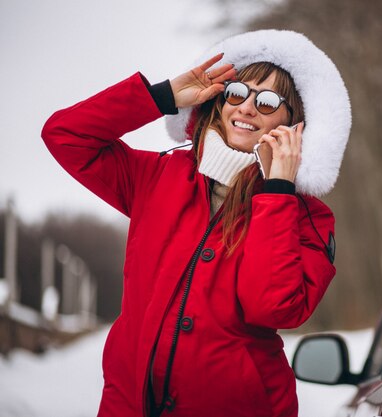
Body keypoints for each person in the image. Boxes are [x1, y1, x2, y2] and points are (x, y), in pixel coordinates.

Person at [41, 30, 351, 417]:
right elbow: (65, 136)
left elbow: (273, 308)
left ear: (294, 123)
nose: (248, 108)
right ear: (218, 103)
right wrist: (162, 96)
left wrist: (277, 190)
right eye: (236, 93)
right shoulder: (154, 176)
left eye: (269, 101)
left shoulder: (307, 217)